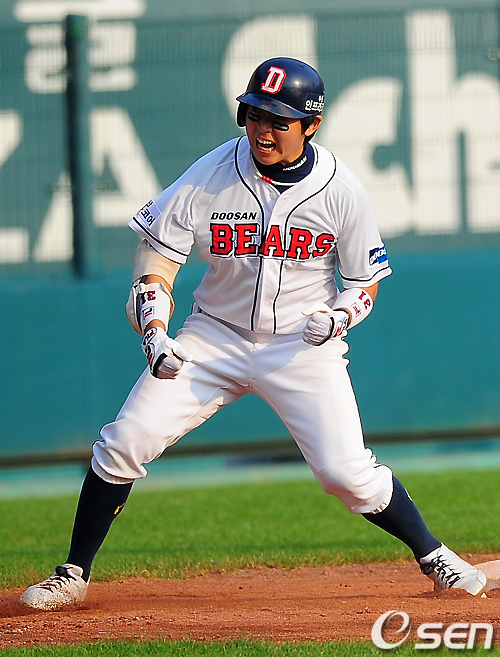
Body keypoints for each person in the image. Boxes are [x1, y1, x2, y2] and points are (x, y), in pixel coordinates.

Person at [21, 57, 486, 611]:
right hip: (213, 336)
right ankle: (73, 573)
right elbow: (156, 259)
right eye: (255, 114)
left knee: (347, 475)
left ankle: (436, 557)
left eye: (279, 120)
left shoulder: (341, 189)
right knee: (124, 441)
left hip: (301, 346)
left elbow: (365, 280)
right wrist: (155, 331)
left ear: (311, 125)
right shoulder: (212, 173)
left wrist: (341, 316)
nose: (263, 130)